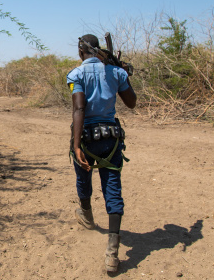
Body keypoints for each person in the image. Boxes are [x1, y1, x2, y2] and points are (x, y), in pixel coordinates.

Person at [66, 34, 137, 272]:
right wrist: (123, 73)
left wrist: (76, 146)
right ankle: (112, 253)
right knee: (112, 188)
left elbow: (79, 108)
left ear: (80, 52)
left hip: (85, 138)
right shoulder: (116, 74)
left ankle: (87, 216)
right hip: (111, 141)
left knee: (82, 177)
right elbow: (131, 102)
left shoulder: (75, 75)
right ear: (98, 51)